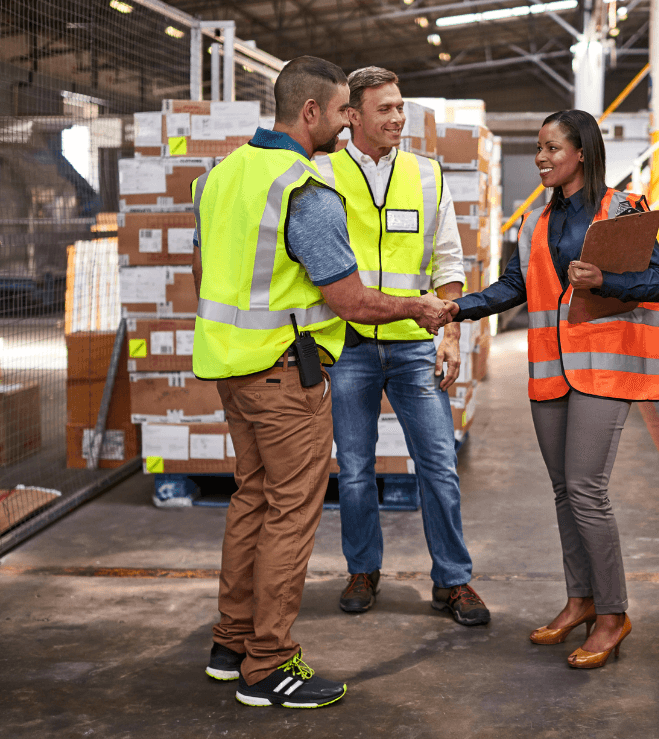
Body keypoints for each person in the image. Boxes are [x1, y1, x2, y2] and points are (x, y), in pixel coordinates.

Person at [191, 55, 459, 709]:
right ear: (310, 112)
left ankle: (231, 643)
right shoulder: (303, 187)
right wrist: (421, 308)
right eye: (344, 111)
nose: (349, 123)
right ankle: (269, 664)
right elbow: (351, 302)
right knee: (290, 513)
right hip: (285, 377)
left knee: (252, 500)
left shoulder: (224, 174)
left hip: (233, 369)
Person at [450, 109, 659, 669]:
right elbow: (512, 288)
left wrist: (607, 282)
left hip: (604, 369)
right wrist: (456, 308)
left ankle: (613, 614)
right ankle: (580, 599)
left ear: (581, 153)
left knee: (586, 488)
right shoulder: (533, 224)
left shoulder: (622, 209)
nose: (542, 158)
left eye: (553, 148)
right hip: (551, 371)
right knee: (562, 491)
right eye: (539, 149)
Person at [313, 67, 489, 626]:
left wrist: (453, 333)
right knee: (358, 469)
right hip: (351, 345)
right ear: (353, 116)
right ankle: (362, 569)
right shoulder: (321, 175)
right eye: (384, 109)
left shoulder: (427, 173)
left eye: (399, 107)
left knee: (439, 464)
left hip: (415, 343)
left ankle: (453, 580)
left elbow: (449, 260)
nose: (396, 118)